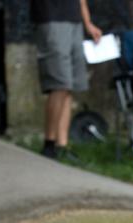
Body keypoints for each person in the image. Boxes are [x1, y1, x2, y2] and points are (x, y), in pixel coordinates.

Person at [30, 0, 102, 159]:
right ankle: (49, 143)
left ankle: (61, 145)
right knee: (59, 84)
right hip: (52, 19)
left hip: (74, 20)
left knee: (69, 85)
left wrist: (88, 23)